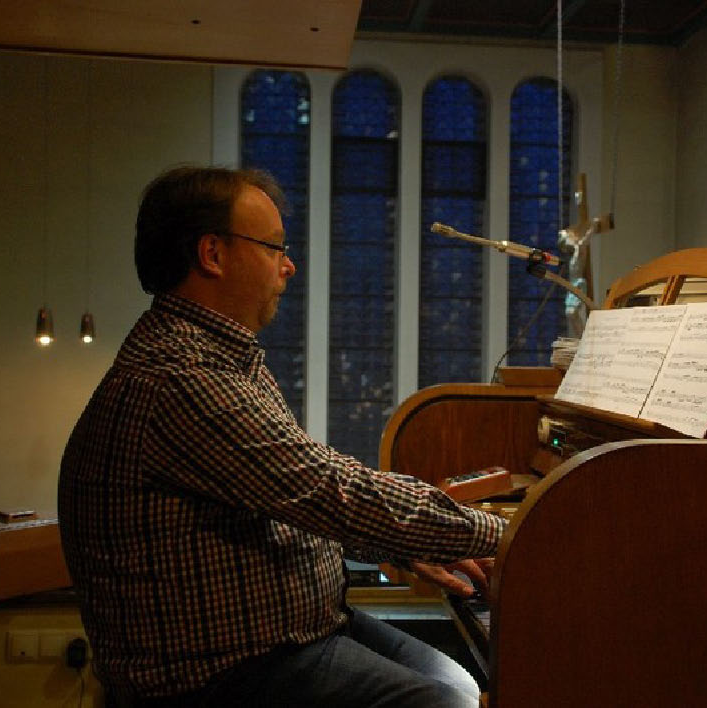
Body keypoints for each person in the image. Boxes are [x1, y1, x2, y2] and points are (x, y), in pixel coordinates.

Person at [58, 165, 507, 707]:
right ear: (212, 254)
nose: (288, 266)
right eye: (274, 247)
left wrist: (409, 545)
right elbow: (330, 489)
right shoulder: (180, 376)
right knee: (445, 702)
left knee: (458, 683)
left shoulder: (225, 357)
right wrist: (509, 534)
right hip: (216, 673)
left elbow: (292, 498)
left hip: (292, 632)